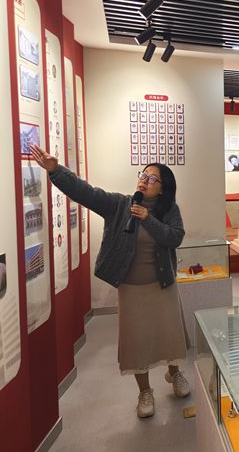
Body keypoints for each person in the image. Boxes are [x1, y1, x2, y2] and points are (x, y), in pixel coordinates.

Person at [29, 145, 189, 419]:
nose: (144, 180)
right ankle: (145, 392)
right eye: (143, 175)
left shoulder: (170, 210)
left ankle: (174, 374)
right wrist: (56, 171)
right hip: (131, 288)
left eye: (152, 178)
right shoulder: (120, 205)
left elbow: (174, 237)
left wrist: (148, 219)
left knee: (169, 335)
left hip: (163, 285)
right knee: (137, 341)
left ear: (163, 189)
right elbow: (86, 193)